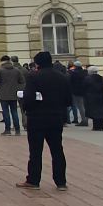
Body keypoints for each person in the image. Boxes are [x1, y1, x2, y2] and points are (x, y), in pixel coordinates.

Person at [18, 52, 72, 190]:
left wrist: (26, 108)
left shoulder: (33, 76)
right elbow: (68, 100)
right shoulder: (62, 77)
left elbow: (29, 98)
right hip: (56, 117)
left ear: (37, 63)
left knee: (35, 151)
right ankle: (61, 182)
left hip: (37, 118)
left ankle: (33, 180)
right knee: (57, 150)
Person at [0, 57, 25, 136]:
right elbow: (22, 81)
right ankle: (17, 130)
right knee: (14, 111)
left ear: (2, 62)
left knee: (5, 112)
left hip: (3, 94)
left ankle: (7, 130)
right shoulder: (16, 70)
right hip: (14, 94)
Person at [83, 66, 103, 131]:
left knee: (94, 112)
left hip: (91, 97)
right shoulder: (101, 78)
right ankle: (101, 126)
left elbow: (84, 87)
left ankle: (96, 126)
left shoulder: (87, 78)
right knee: (100, 111)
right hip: (100, 96)